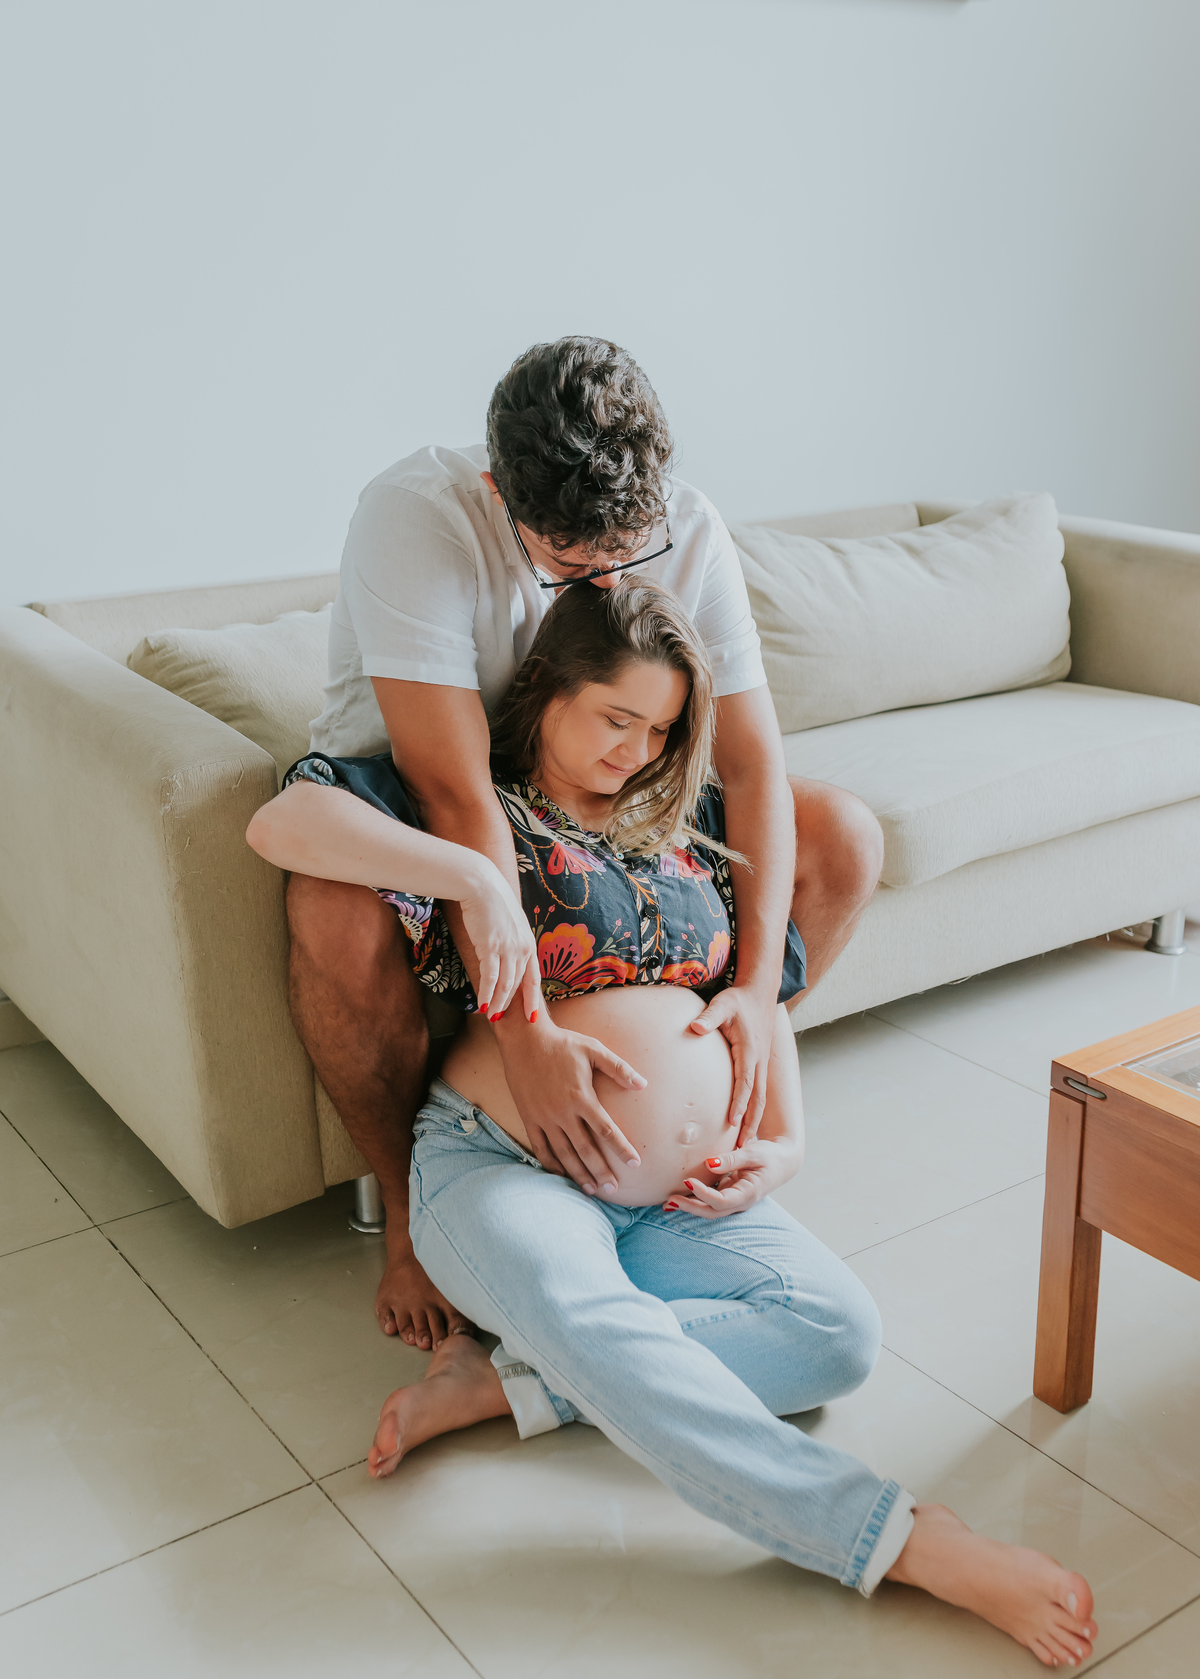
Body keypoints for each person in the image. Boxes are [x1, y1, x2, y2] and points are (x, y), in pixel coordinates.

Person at [248, 580, 1098, 1669]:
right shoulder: (470, 804)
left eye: (658, 730)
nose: (635, 750)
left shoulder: (683, 821)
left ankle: (510, 1383)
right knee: (588, 1308)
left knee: (838, 1333)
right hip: (500, 1163)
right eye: (615, 719)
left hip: (670, 1202)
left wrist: (788, 1143)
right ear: (547, 691)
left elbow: (754, 1003)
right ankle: (902, 1540)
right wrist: (470, 874)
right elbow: (283, 822)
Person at [279, 335, 886, 1353]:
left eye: (626, 550)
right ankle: (410, 1212)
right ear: (497, 489)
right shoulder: (418, 516)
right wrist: (522, 1036)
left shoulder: (686, 525)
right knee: (331, 904)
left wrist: (753, 987)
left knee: (847, 838)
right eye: (570, 560)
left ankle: (699, 1102)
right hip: (439, 787)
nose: (604, 578)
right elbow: (454, 786)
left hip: (618, 780)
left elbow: (751, 767)